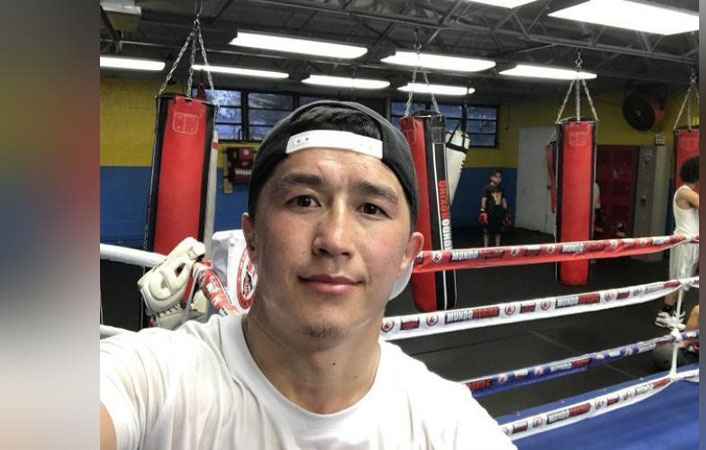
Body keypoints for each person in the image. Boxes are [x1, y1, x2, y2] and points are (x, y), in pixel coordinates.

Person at [100, 101, 516, 450]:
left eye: (371, 208)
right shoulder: (151, 379)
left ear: (407, 255)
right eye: (303, 201)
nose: (334, 239)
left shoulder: (449, 426)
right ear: (252, 236)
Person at [655, 155, 699, 330]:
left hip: (692, 243)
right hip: (684, 243)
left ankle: (674, 313)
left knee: (684, 279)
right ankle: (665, 314)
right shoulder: (684, 192)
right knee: (679, 278)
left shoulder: (689, 192)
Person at [479, 169, 509, 247]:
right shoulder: (487, 188)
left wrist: (506, 213)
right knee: (487, 232)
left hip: (499, 214)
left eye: (499, 177)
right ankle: (485, 248)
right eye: (496, 177)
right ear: (491, 177)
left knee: (498, 232)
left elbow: (503, 200)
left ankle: (497, 247)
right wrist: (482, 212)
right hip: (489, 213)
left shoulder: (501, 188)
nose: (498, 178)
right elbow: (483, 200)